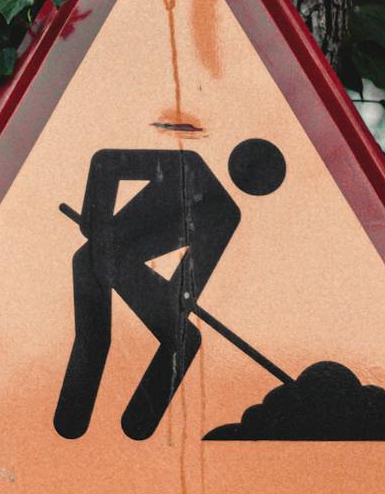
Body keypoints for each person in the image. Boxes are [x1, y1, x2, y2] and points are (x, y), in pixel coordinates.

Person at [54, 136, 285, 439]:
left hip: (123, 265)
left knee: (183, 338)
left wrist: (182, 298)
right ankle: (72, 422)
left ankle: (136, 425)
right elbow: (106, 163)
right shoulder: (188, 166)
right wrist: (97, 224)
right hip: (96, 257)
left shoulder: (226, 214)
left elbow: (193, 273)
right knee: (96, 336)